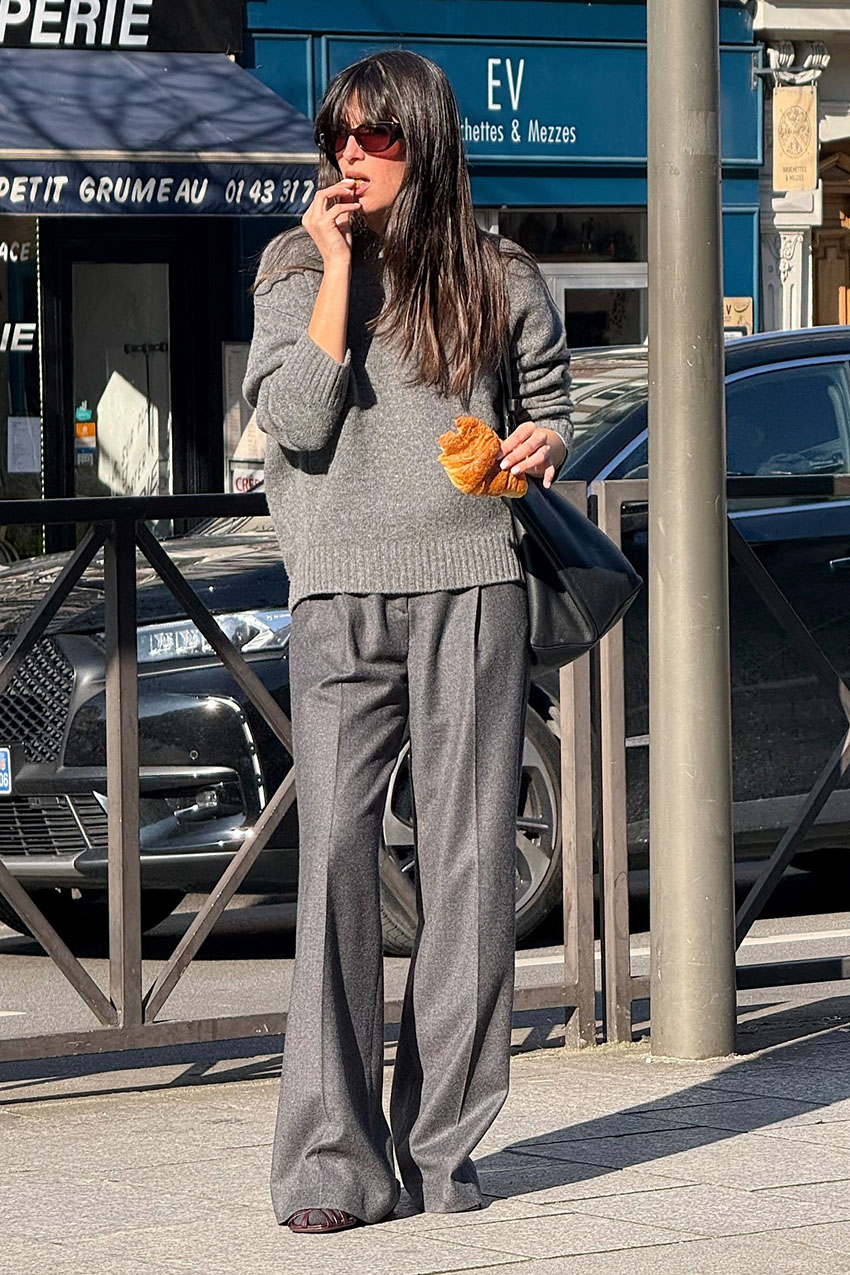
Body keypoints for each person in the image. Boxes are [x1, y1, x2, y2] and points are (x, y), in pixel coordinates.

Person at [243, 49, 572, 1236]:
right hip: (338, 594)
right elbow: (292, 420)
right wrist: (335, 265)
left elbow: (548, 404)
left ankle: (441, 1151)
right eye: (339, 136)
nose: (350, 156)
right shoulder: (293, 266)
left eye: (375, 137)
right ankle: (334, 1166)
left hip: (475, 584)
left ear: (424, 144)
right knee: (334, 862)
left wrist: (540, 445)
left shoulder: (502, 275)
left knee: (472, 871)